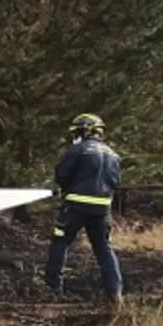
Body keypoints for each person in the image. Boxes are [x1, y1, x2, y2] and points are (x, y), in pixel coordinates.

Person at [45, 113, 124, 304]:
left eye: (77, 131)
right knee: (103, 246)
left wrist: (68, 186)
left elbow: (62, 175)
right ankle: (115, 292)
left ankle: (52, 287)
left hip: (76, 205)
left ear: (84, 130)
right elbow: (116, 182)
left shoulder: (77, 149)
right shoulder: (113, 154)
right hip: (102, 209)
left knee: (61, 241)